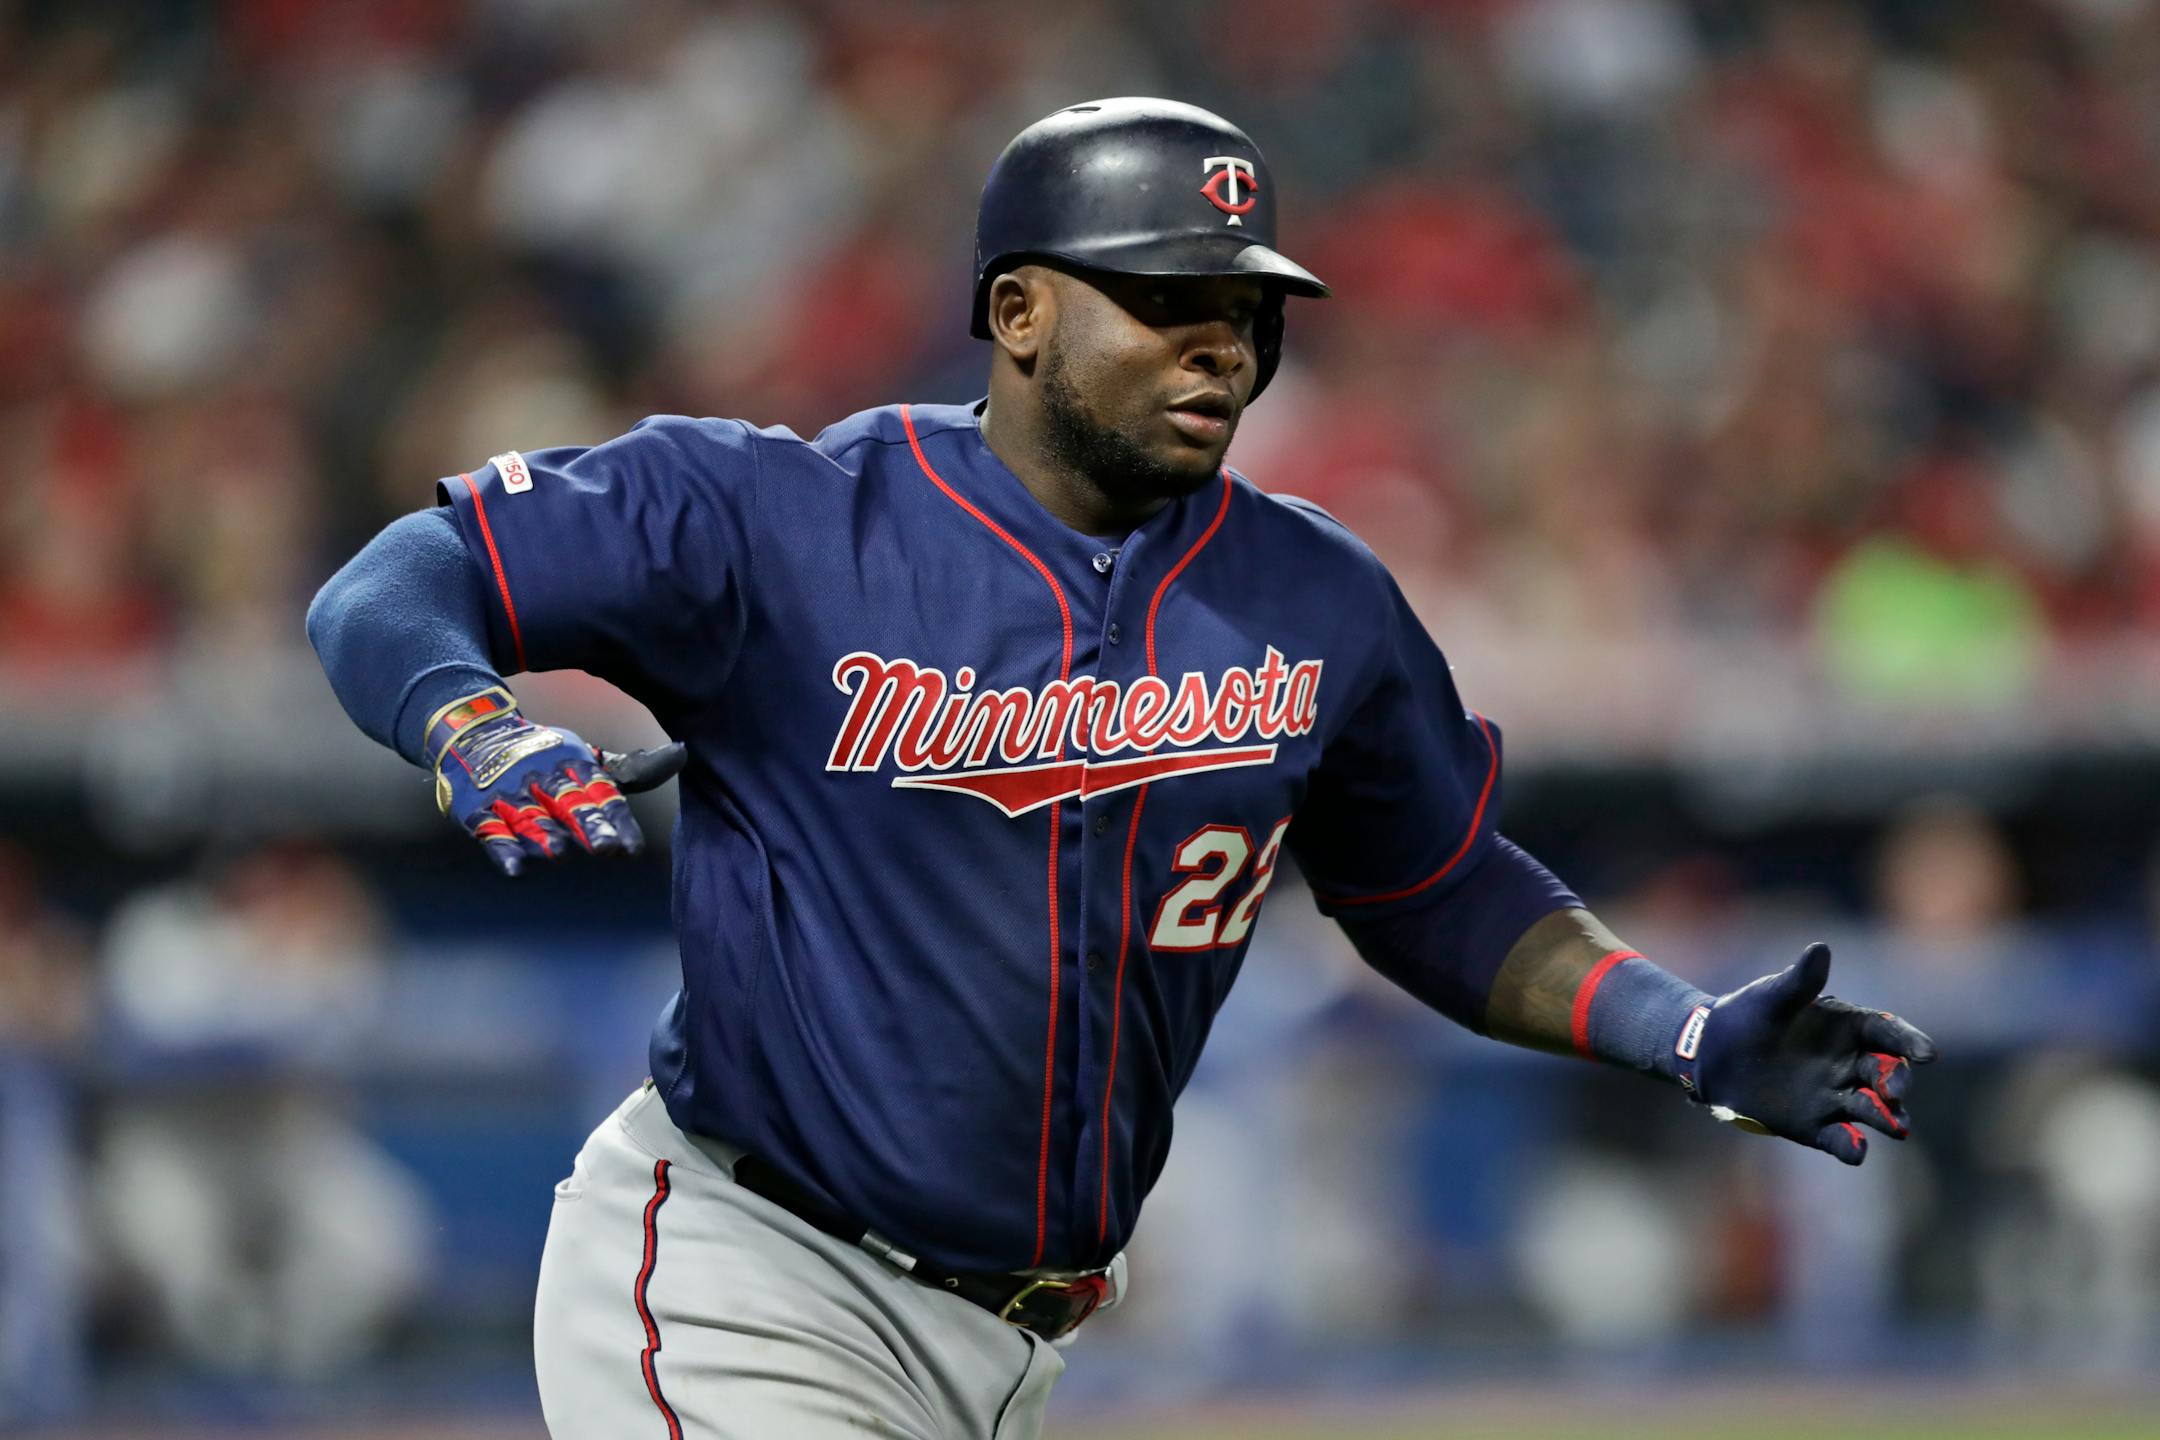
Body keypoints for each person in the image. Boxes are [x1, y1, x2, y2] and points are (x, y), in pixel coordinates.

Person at [308, 98, 1937, 1440]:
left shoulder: (1313, 593)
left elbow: (1434, 885)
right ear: (1017, 312)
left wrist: (1683, 1026)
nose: (1218, 347)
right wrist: (468, 719)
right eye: (1166, 300)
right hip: (751, 1271)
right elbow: (395, 580)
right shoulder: (781, 518)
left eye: (1245, 312)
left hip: (1023, 1347)